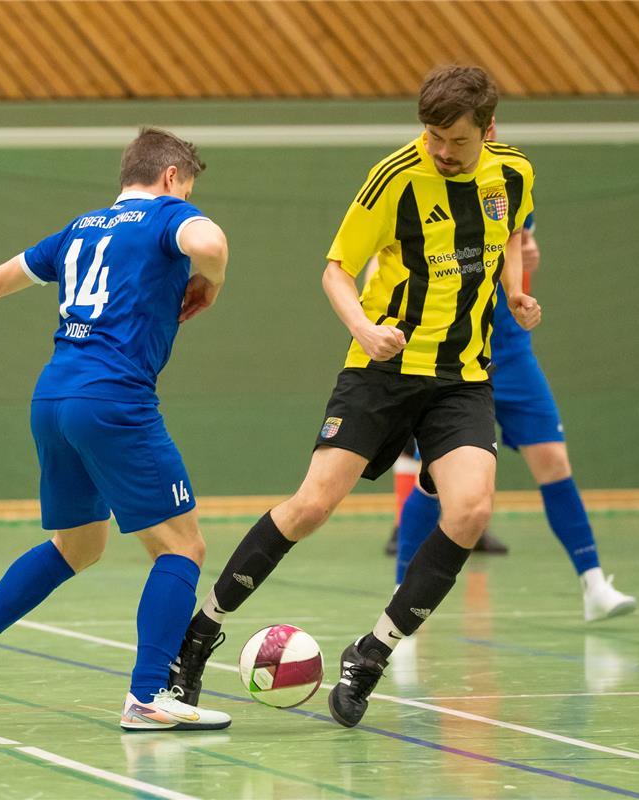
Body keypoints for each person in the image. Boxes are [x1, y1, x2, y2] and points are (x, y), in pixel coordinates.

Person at [169, 65, 541, 728]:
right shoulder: (394, 177)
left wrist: (513, 291)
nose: (440, 149)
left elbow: (508, 233)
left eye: (454, 138)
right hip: (381, 372)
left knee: (470, 510)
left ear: (488, 129)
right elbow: (336, 270)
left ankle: (371, 654)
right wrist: (365, 330)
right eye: (430, 134)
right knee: (311, 507)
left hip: (462, 378)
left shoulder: (511, 172)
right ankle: (198, 636)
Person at [0, 127, 231, 732]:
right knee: (182, 546)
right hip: (113, 399)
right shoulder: (169, 216)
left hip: (54, 395)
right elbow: (210, 241)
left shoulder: (80, 228)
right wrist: (211, 278)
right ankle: (148, 697)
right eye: (186, 188)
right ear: (170, 179)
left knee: (78, 546)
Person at [393, 211, 636, 621]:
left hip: (512, 351)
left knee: (554, 462)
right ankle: (401, 592)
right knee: (432, 478)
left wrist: (525, 263)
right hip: (459, 356)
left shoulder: (514, 188)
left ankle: (594, 584)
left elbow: (519, 265)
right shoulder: (434, 193)